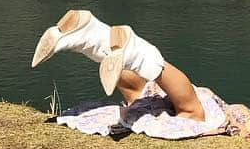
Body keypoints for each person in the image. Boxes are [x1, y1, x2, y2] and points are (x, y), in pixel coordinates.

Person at [31, 10, 206, 123]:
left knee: (138, 92)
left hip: (152, 96)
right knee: (193, 112)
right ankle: (137, 53)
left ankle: (92, 38)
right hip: (177, 99)